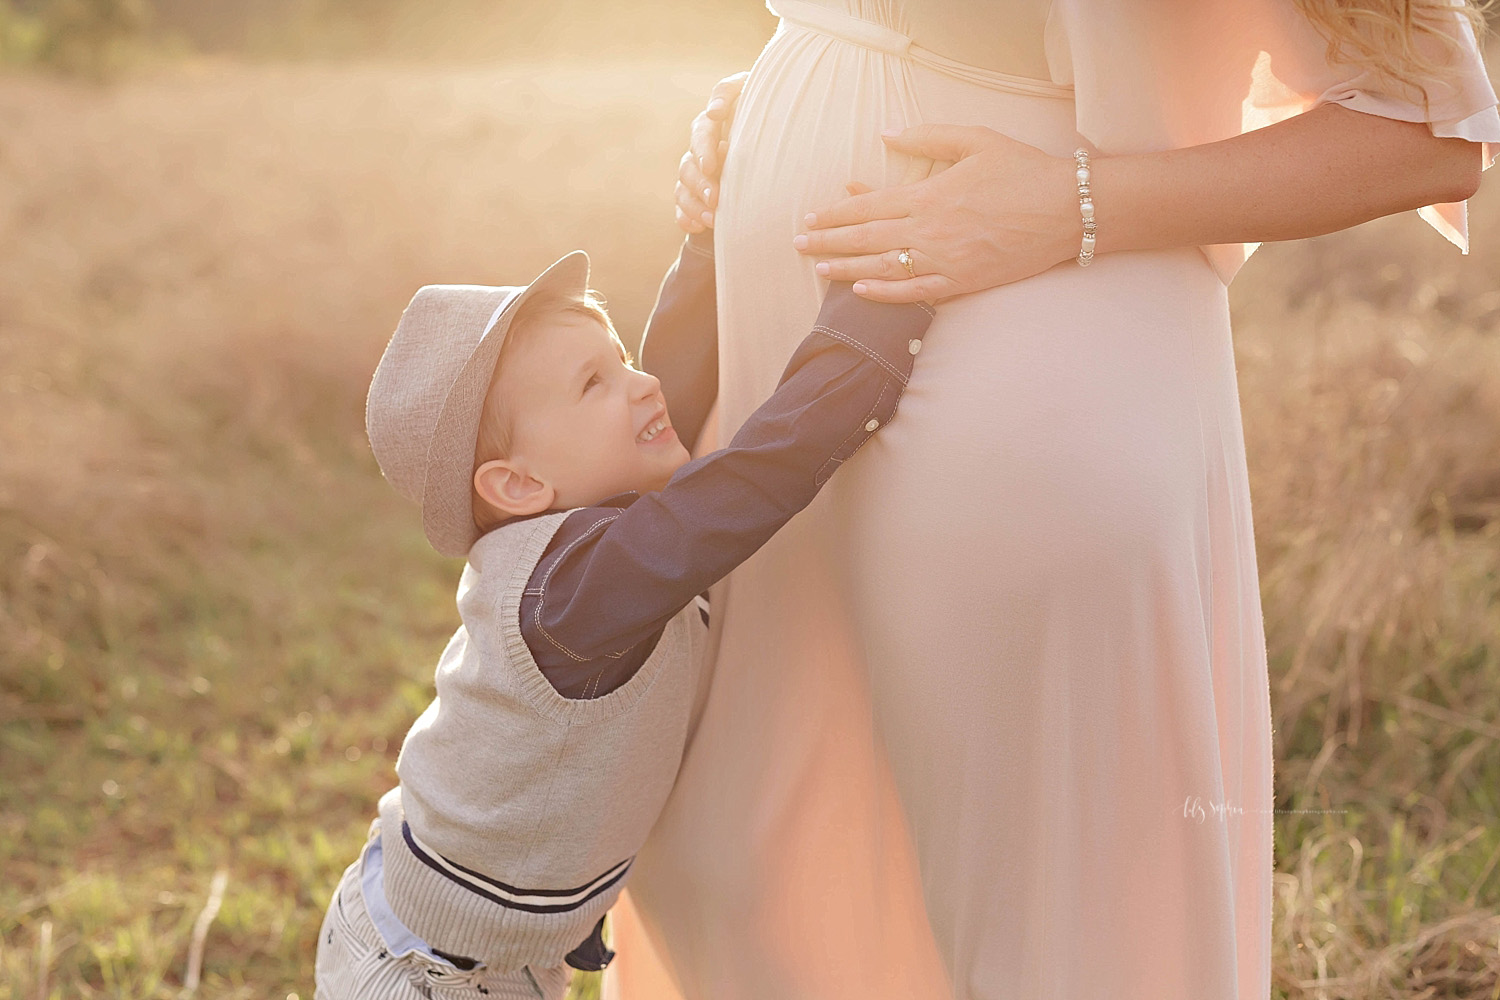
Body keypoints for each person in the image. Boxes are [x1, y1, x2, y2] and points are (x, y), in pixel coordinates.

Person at [603, 3, 1500, 999]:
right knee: (738, 869)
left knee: (1051, 921)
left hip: (1021, 323)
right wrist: (792, 81)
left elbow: (1426, 132)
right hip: (780, 329)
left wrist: (1075, 201)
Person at [312, 227, 935, 1000]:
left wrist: (708, 245)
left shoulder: (579, 546)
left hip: (444, 929)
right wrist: (882, 297)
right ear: (516, 486)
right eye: (593, 385)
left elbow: (669, 384)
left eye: (621, 362)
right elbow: (757, 480)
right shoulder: (578, 593)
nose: (642, 385)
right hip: (436, 973)